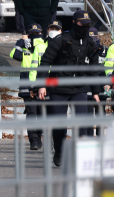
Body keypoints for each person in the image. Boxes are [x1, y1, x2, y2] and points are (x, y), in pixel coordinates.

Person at [37, 10, 102, 167]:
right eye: (82, 24)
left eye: (88, 25)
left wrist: (95, 92)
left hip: (79, 88)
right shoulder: (61, 40)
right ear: (74, 23)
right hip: (58, 88)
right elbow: (45, 62)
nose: (85, 28)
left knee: (81, 123)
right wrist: (41, 85)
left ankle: (80, 155)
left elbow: (94, 69)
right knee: (59, 124)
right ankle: (59, 151)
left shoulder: (91, 44)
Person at [9, 23, 50, 150]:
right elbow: (13, 55)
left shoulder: (37, 46)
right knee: (39, 112)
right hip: (39, 83)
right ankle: (36, 138)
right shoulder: (44, 45)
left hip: (31, 82)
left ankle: (35, 139)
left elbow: (14, 54)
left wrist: (21, 42)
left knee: (33, 112)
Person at [86, 26, 108, 135]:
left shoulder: (105, 51)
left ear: (98, 38)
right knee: (88, 114)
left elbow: (108, 68)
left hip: (101, 85)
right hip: (88, 85)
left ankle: (100, 137)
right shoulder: (84, 50)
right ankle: (89, 137)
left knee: (100, 113)